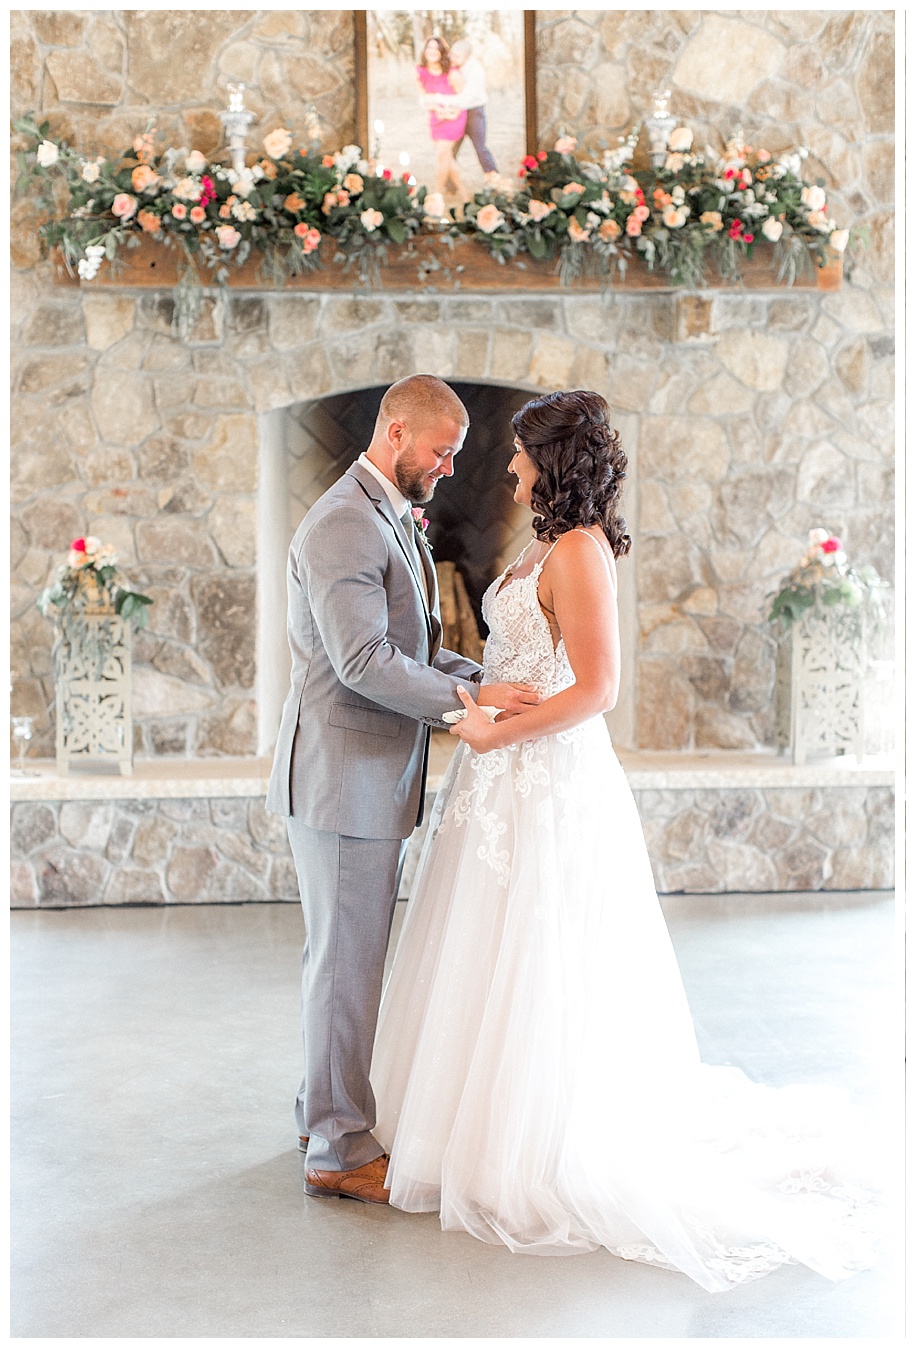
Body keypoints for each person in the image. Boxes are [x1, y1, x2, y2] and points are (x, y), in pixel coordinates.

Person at [366, 390, 876, 1290]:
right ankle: (462, 1126)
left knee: (542, 954)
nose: (509, 467)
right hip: (500, 781)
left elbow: (597, 690)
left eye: (521, 454)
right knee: (486, 947)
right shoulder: (543, 543)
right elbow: (522, 661)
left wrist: (492, 734)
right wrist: (479, 699)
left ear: (551, 463)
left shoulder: (578, 551)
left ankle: (534, 1146)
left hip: (543, 777)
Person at [268, 374, 539, 1202]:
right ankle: (339, 1150)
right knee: (345, 966)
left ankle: (321, 1114)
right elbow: (364, 662)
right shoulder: (346, 523)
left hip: (361, 778)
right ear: (395, 432)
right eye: (441, 451)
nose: (451, 467)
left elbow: (410, 647)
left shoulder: (385, 513)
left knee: (342, 960)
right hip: (342, 781)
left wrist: (486, 681)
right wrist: (466, 707)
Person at [415, 35, 467, 203]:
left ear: (442, 52)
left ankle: (437, 195)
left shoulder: (452, 73)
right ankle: (466, 194)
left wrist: (452, 113)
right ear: (425, 51)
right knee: (447, 159)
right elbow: (424, 98)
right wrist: (437, 109)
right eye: (429, 47)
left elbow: (464, 98)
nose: (432, 51)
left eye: (436, 49)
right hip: (436, 118)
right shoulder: (421, 72)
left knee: (442, 154)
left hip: (454, 118)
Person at [445, 37, 499, 178]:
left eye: (457, 56)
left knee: (480, 148)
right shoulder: (452, 66)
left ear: (467, 57)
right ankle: (449, 180)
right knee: (451, 148)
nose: (452, 58)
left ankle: (494, 178)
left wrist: (446, 104)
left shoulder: (476, 70)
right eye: (452, 54)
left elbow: (466, 98)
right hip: (458, 111)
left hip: (474, 112)